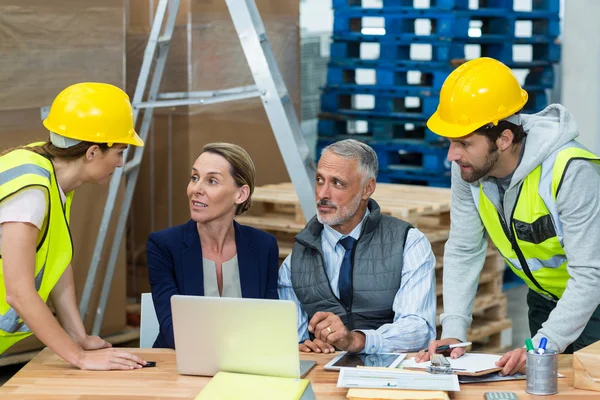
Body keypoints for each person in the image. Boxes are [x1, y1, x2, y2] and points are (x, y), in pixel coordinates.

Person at [417, 57, 600, 375]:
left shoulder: (570, 170)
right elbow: (464, 249)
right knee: (545, 389)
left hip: (594, 300)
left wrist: (544, 344)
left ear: (503, 139)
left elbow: (590, 274)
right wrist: (454, 331)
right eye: (449, 142)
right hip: (545, 298)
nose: (452, 155)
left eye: (463, 143)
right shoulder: (468, 170)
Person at [0, 82, 147, 370]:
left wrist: (78, 337)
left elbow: (56, 262)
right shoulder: (31, 192)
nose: (119, 164)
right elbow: (18, 291)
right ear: (92, 152)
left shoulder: (53, 175)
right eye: (118, 152)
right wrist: (79, 358)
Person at [278, 139, 437, 355]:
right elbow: (291, 342)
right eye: (319, 180)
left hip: (392, 376)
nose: (323, 194)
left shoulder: (408, 243)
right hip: (326, 376)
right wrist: (304, 346)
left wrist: (357, 340)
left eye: (337, 183)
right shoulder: (296, 261)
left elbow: (419, 330)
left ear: (367, 189)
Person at [147, 142, 279, 349]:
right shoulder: (164, 246)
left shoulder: (264, 246)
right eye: (194, 178)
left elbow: (269, 323)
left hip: (245, 367)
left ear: (241, 194)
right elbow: (173, 330)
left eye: (212, 181)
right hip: (178, 365)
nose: (196, 190)